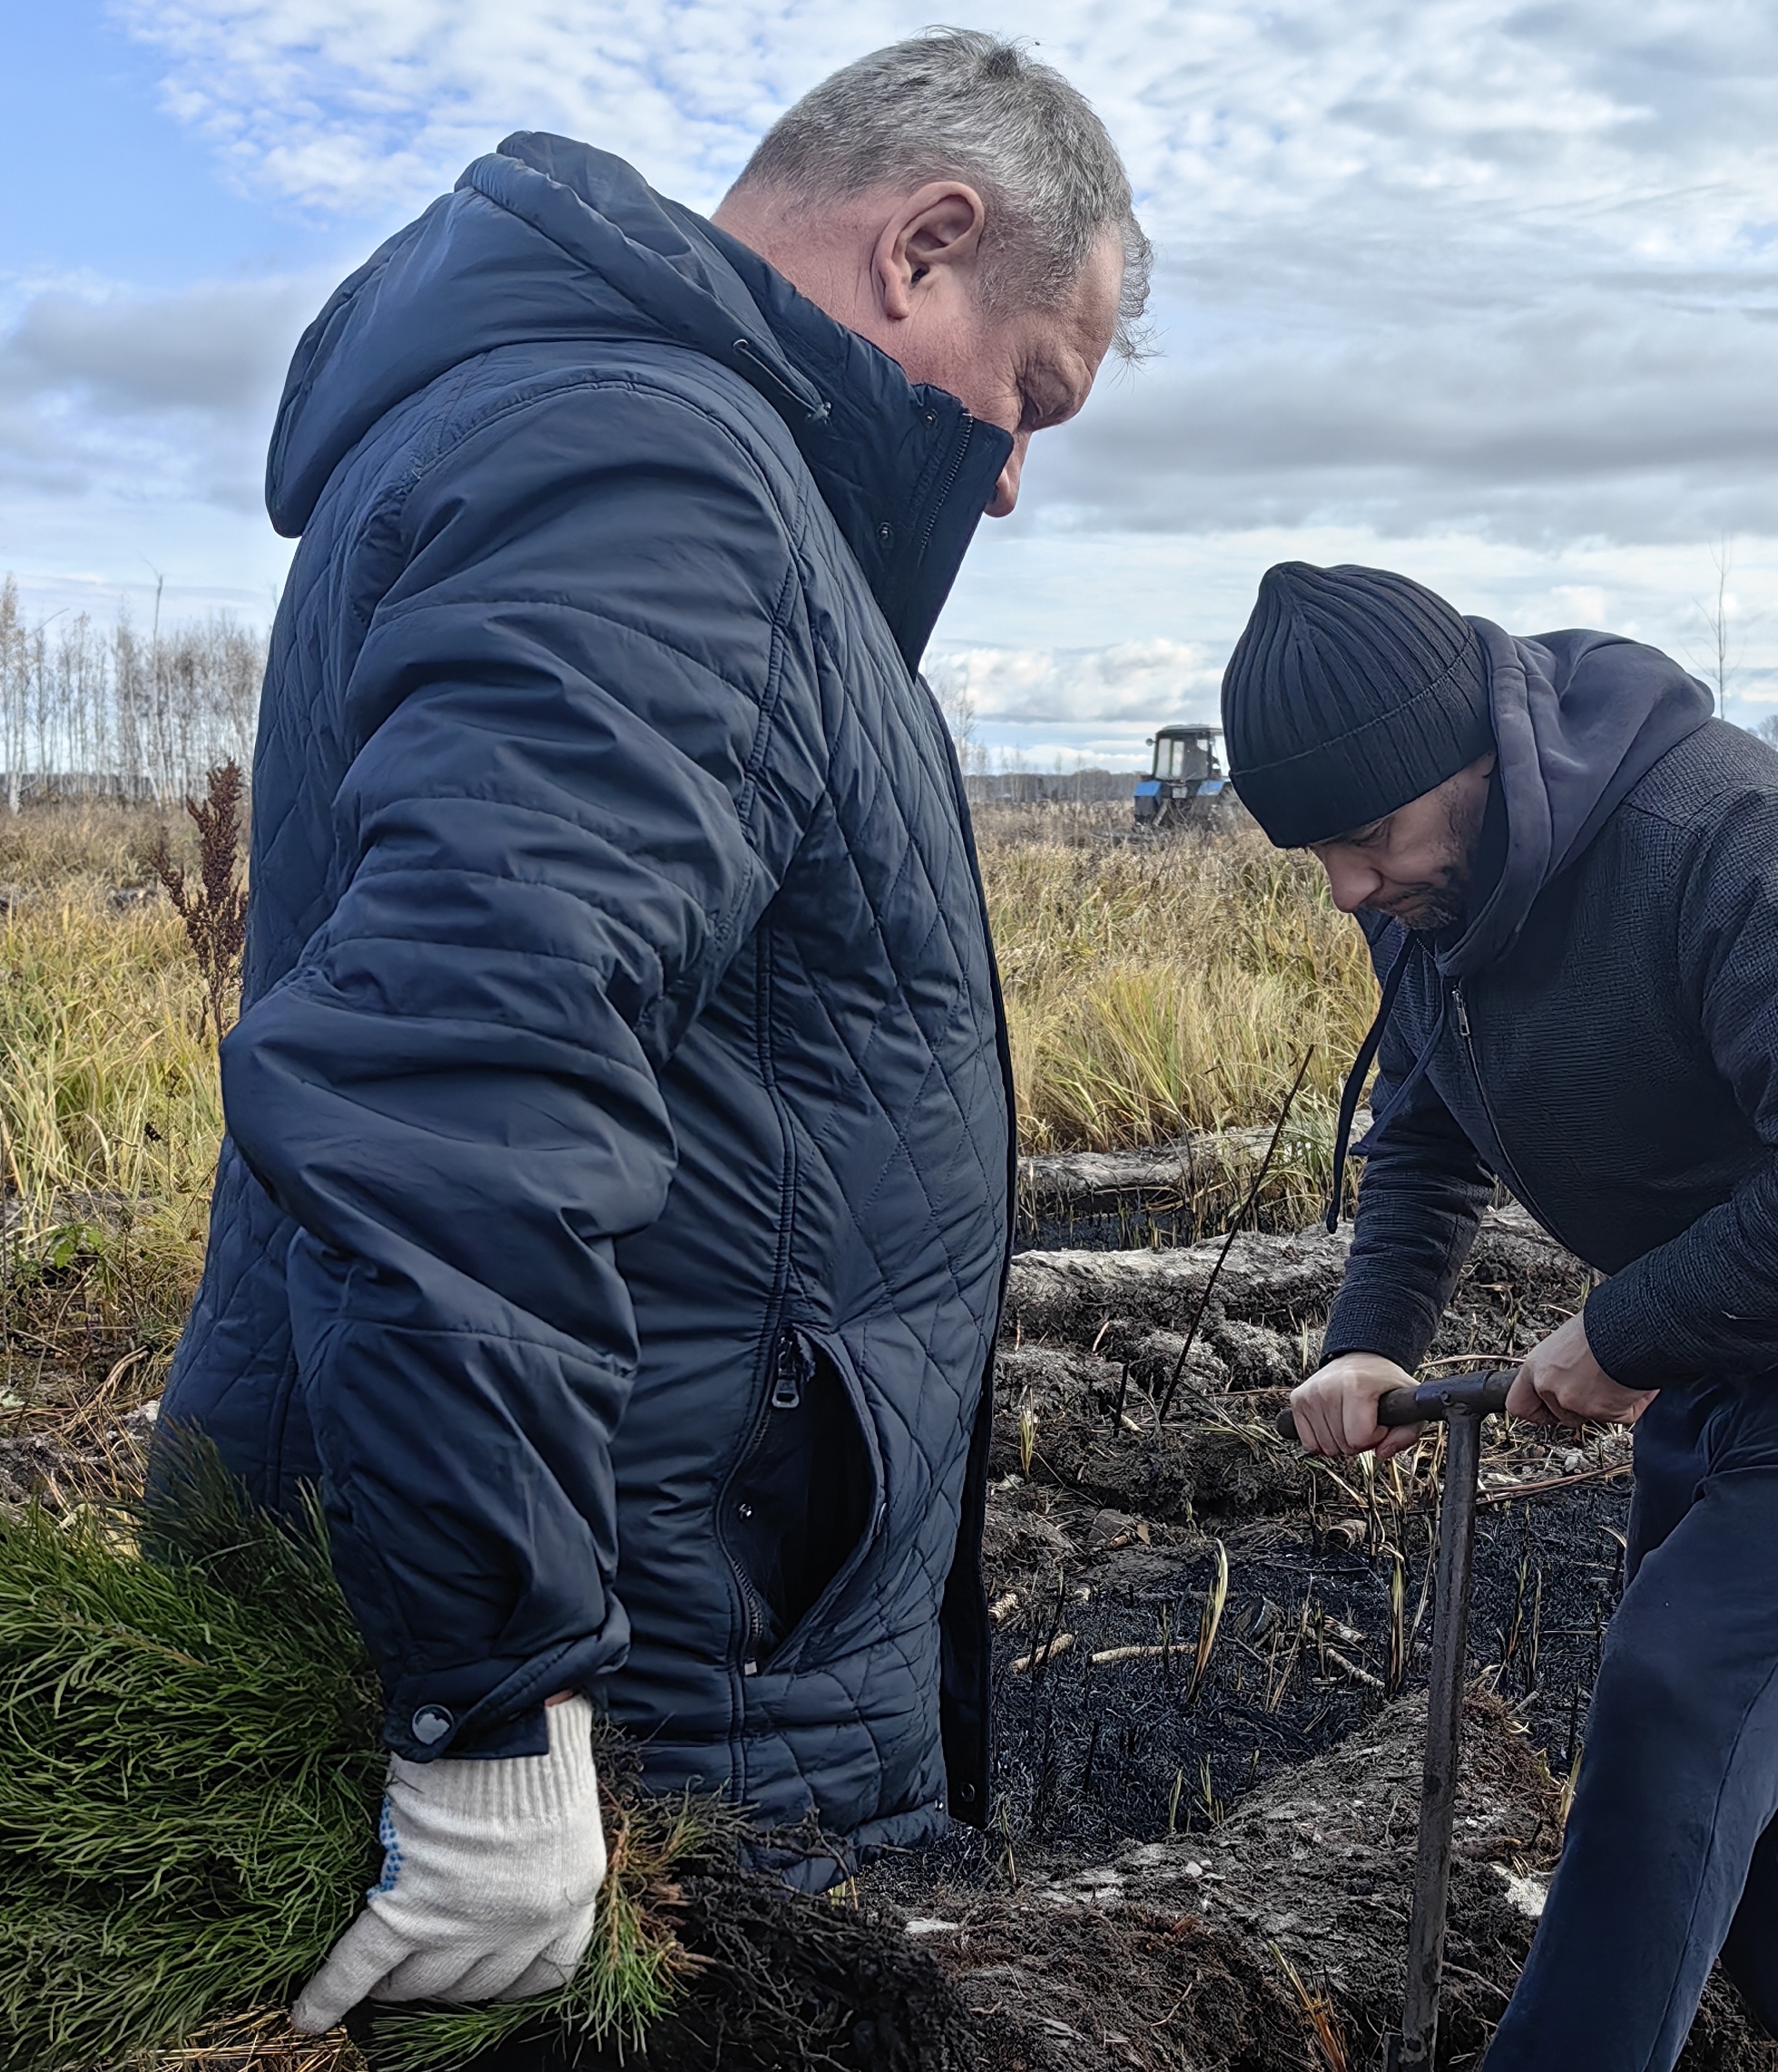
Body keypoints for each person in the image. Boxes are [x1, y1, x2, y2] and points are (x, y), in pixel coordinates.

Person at [152, 31, 1148, 2032]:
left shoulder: (642, 451)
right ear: (924, 246)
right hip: (665, 1706)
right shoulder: (663, 471)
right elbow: (464, 1059)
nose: (1016, 473)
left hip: (693, 1645)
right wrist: (497, 1711)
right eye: (1030, 390)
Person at [1243, 564, 1778, 2072]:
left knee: (1675, 1704)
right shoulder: (1433, 889)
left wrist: (1628, 1331)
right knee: (1716, 1818)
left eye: (1366, 841)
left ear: (1479, 756)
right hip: (1740, 1305)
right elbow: (1430, 1125)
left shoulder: (1713, 832)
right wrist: (1371, 1333)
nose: (1348, 892)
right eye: (1317, 855)